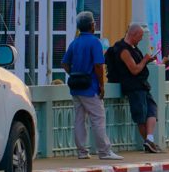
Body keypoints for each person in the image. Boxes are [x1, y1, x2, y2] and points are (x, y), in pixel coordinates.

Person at [60, 10, 120, 161]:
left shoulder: (74, 42)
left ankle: (82, 151)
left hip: (76, 87)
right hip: (90, 86)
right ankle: (104, 151)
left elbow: (65, 63)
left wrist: (74, 73)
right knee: (98, 118)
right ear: (92, 25)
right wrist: (101, 85)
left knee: (79, 119)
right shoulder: (95, 42)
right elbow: (99, 66)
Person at [105, 22, 159, 153]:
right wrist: (145, 60)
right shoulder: (123, 50)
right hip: (133, 87)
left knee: (152, 110)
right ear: (133, 34)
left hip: (142, 85)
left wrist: (148, 60)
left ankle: (149, 139)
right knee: (140, 115)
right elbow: (134, 69)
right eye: (140, 36)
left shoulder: (134, 48)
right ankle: (148, 142)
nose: (141, 40)